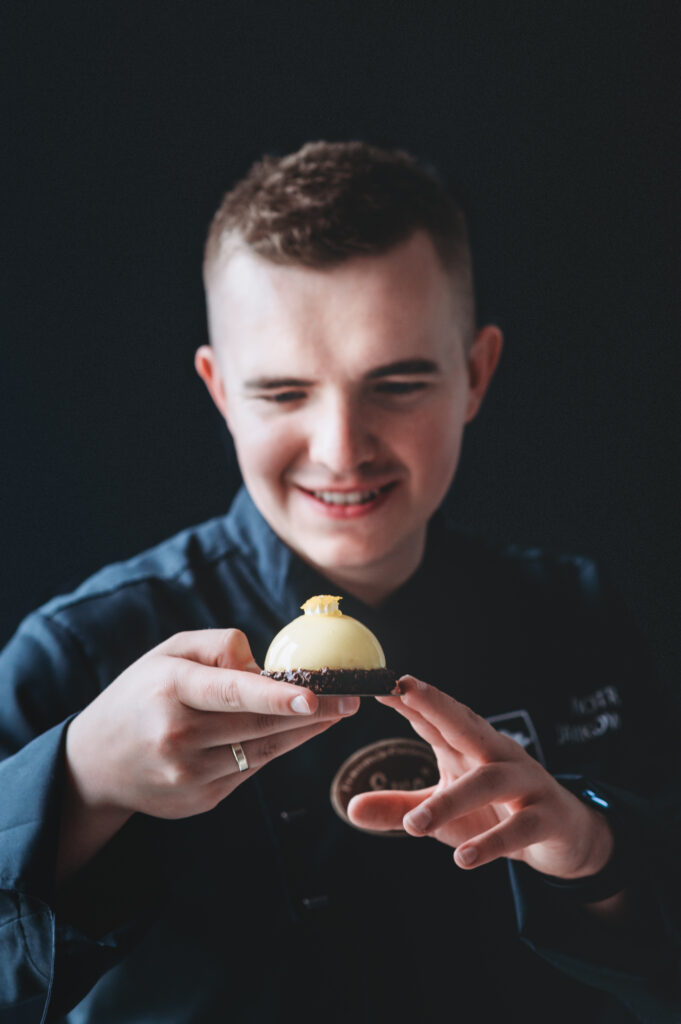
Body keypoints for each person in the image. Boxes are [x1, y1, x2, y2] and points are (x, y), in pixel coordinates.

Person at [0, 141, 679, 1024]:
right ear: (218, 391)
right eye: (282, 393)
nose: (340, 447)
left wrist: (594, 846)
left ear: (475, 373)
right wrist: (83, 789)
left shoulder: (579, 617)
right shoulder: (80, 649)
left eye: (396, 383)